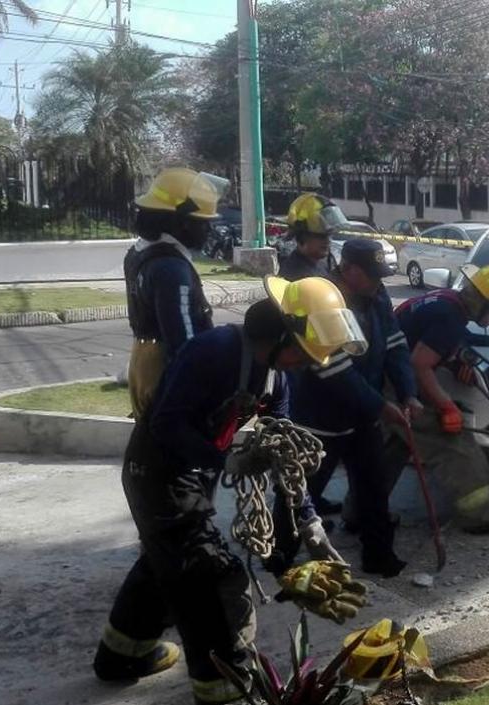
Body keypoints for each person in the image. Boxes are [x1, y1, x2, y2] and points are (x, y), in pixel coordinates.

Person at [92, 278, 368, 705]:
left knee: (165, 563)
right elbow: (166, 423)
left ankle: (121, 655)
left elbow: (285, 455)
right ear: (278, 336)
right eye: (300, 352)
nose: (302, 364)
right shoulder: (214, 351)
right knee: (207, 578)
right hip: (156, 471)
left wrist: (308, 520)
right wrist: (226, 460)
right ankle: (224, 692)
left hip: (194, 474)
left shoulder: (276, 380)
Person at [269, 238, 418, 578]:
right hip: (319, 418)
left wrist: (408, 392)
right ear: (348, 269)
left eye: (380, 276)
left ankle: (379, 555)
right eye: (371, 275)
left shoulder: (376, 295)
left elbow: (395, 343)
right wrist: (380, 406)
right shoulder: (323, 298)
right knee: (300, 490)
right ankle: (279, 555)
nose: (378, 283)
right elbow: (333, 368)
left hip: (362, 417)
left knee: (373, 489)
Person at [386, 263, 489, 534]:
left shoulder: (447, 301)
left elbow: (423, 341)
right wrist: (448, 407)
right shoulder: (450, 317)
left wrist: (454, 363)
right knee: (453, 441)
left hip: (385, 377)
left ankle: (362, 512)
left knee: (395, 443)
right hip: (396, 385)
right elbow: (419, 364)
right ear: (487, 302)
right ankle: (483, 516)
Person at [123, 167, 231, 418]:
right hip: (164, 369)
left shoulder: (139, 252)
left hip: (143, 360)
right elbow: (185, 345)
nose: (209, 230)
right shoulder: (171, 269)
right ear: (181, 222)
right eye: (203, 223)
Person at [277, 193, 345, 281]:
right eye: (320, 236)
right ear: (301, 239)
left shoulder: (327, 260)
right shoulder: (295, 273)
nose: (328, 241)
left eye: (329, 235)